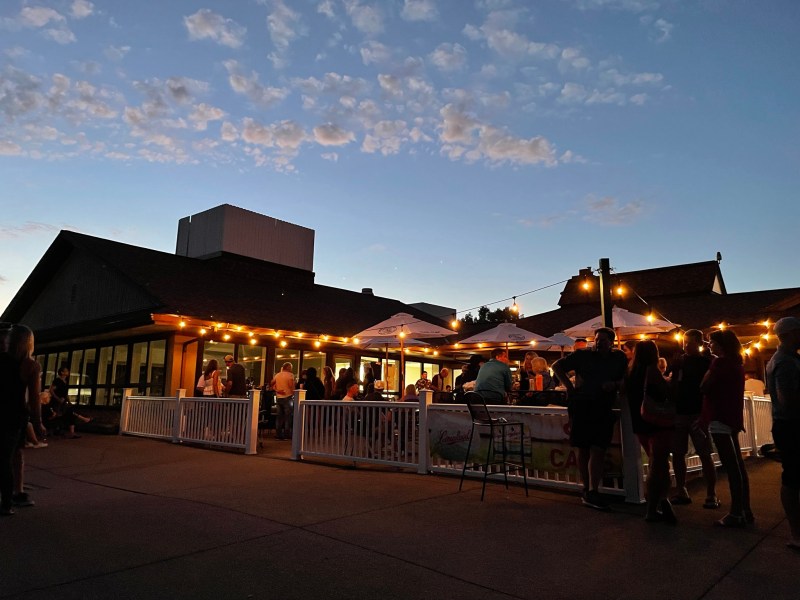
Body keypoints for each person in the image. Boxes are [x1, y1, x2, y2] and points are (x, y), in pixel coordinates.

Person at [552, 327, 627, 510]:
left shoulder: (619, 358)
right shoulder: (582, 355)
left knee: (599, 448)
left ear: (611, 341)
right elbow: (557, 366)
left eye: (603, 340)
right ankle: (588, 490)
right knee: (583, 447)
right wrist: (569, 387)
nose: (599, 342)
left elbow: (626, 379)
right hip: (582, 404)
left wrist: (615, 384)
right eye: (597, 339)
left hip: (603, 405)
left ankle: (594, 489)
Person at [700, 329, 752, 527]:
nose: (709, 346)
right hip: (732, 417)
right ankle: (745, 509)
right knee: (738, 465)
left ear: (720, 345)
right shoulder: (736, 363)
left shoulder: (720, 363)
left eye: (711, 342)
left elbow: (704, 386)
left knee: (731, 467)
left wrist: (710, 367)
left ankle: (736, 513)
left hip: (719, 417)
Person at [625, 340, 676, 523]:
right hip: (657, 422)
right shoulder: (652, 371)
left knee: (657, 463)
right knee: (659, 464)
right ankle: (655, 506)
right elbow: (664, 392)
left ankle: (660, 503)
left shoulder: (630, 372)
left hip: (640, 423)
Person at [668, 329, 717, 508]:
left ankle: (711, 494)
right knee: (678, 453)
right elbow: (672, 383)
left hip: (698, 412)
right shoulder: (679, 362)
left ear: (699, 343)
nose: (685, 346)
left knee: (704, 453)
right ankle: (682, 490)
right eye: (684, 343)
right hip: (680, 411)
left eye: (689, 343)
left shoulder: (707, 362)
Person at [765, 316, 800, 551]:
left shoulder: (787, 359)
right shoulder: (785, 362)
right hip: (792, 426)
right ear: (788, 335)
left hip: (787, 424)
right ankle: (796, 534)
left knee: (794, 476)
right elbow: (788, 401)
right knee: (793, 477)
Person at [3, 324, 45, 514]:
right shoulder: (31, 365)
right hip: (15, 415)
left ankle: (14, 493)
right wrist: (38, 423)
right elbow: (35, 399)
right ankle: (11, 498)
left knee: (9, 455)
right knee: (11, 455)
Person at [48, 366, 90, 438]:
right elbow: (51, 390)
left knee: (69, 413)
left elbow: (65, 393)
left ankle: (72, 431)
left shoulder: (65, 381)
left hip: (63, 401)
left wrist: (69, 401)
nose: (68, 372)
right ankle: (82, 420)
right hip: (57, 402)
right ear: (62, 372)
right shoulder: (58, 381)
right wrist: (58, 399)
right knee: (60, 415)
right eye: (66, 371)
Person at [270, 362, 296, 440]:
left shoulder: (277, 375)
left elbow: (271, 383)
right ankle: (286, 435)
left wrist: (277, 390)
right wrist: (293, 393)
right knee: (287, 417)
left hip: (279, 397)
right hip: (287, 397)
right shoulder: (290, 375)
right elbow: (292, 386)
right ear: (288, 367)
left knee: (279, 417)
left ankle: (278, 435)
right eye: (291, 367)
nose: (291, 369)